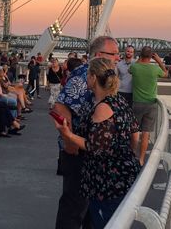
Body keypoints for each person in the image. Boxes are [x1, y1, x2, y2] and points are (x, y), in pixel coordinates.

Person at [54, 57, 140, 228]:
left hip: (106, 181)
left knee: (103, 221)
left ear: (94, 78)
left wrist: (67, 134)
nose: (86, 79)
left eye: (88, 75)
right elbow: (135, 135)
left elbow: (93, 146)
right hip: (121, 176)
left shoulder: (102, 108)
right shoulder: (120, 101)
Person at [53, 35, 120, 228]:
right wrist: (71, 141)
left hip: (91, 151)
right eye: (114, 54)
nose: (118, 58)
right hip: (79, 152)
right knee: (74, 206)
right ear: (99, 55)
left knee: (89, 206)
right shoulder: (84, 75)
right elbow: (61, 106)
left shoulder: (103, 76)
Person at [129, 46, 167, 166]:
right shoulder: (155, 69)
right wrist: (159, 61)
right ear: (151, 56)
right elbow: (166, 74)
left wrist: (139, 58)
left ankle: (132, 156)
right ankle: (141, 159)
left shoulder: (135, 67)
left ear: (140, 55)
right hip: (151, 104)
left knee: (134, 131)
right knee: (146, 133)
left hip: (137, 103)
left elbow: (130, 70)